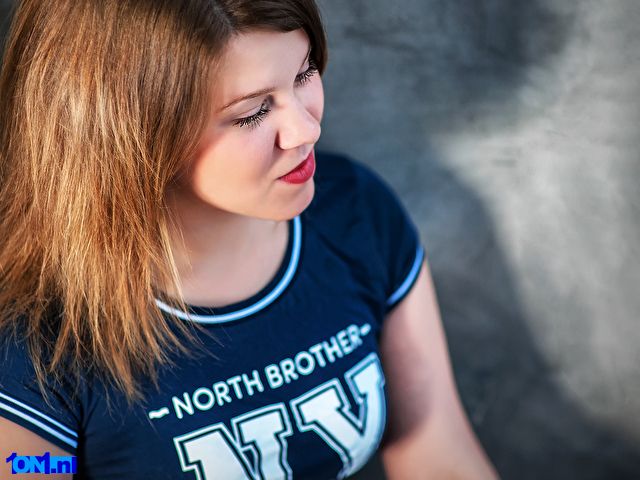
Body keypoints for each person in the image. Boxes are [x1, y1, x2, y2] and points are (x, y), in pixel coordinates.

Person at [0, 1, 499, 479]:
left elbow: (438, 455)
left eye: (304, 73)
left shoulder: (357, 216)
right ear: (127, 133)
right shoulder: (35, 335)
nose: (304, 130)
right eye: (253, 112)